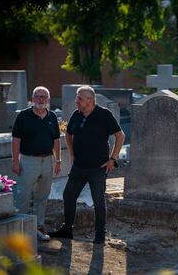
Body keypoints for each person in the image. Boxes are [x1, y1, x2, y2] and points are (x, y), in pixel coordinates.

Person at [48, 85, 125, 244]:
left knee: (98, 200)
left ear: (90, 100)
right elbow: (68, 134)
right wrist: (71, 154)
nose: (77, 101)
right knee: (68, 195)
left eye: (80, 99)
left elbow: (120, 136)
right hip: (79, 166)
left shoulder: (104, 115)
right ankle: (67, 229)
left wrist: (113, 159)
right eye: (77, 98)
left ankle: (100, 235)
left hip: (98, 167)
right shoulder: (77, 114)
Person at [12, 86, 61, 241]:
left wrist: (58, 160)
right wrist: (15, 161)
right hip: (28, 161)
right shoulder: (23, 116)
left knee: (43, 197)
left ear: (48, 99)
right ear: (32, 99)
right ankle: (20, 229)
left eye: (44, 97)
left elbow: (56, 140)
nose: (40, 99)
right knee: (23, 195)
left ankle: (38, 228)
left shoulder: (52, 116)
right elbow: (16, 140)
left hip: (47, 160)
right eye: (37, 96)